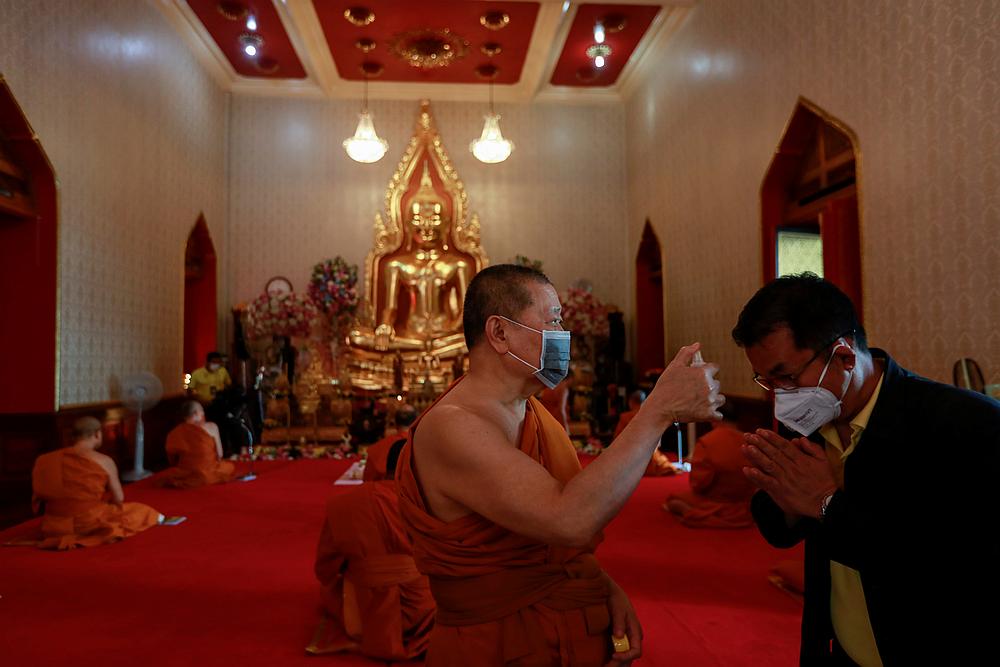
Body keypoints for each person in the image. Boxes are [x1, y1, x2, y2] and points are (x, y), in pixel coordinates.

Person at [395, 264, 723, 666]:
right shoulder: (454, 426)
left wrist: (599, 583)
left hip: (560, 617)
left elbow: (548, 547)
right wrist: (656, 411)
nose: (563, 334)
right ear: (499, 333)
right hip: (495, 642)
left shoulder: (529, 409)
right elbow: (567, 519)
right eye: (552, 320)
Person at [733, 273, 999, 665]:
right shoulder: (810, 415)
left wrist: (826, 501)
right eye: (767, 381)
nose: (781, 397)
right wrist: (787, 498)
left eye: (786, 376)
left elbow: (951, 563)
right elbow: (780, 529)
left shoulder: (966, 424)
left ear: (843, 356)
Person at [310, 439, 435, 659]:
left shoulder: (345, 503)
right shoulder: (430, 501)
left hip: (364, 612)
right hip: (425, 613)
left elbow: (325, 569)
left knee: (330, 590)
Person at [29, 417, 183, 550]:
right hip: (87, 523)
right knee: (142, 512)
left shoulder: (45, 459)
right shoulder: (103, 461)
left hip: (52, 525)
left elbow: (39, 496)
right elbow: (119, 499)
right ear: (97, 434)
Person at [663, 402, 755, 527]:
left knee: (674, 500)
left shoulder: (708, 441)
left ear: (714, 418)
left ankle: (698, 514)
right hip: (744, 503)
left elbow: (698, 483)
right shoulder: (751, 442)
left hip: (714, 501)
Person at [158, 401, 236, 488]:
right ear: (196, 413)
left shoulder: (175, 432)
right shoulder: (211, 426)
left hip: (185, 471)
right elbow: (220, 454)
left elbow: (172, 459)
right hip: (206, 472)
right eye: (202, 411)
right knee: (229, 467)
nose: (203, 414)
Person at [614, 390, 675, 476]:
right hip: (649, 457)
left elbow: (617, 440)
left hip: (629, 459)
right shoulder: (652, 416)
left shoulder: (625, 417)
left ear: (630, 402)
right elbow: (658, 442)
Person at [363, 403, 418, 482]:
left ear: (395, 424)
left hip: (383, 492)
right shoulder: (423, 447)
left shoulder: (377, 448)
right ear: (416, 422)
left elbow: (368, 481)